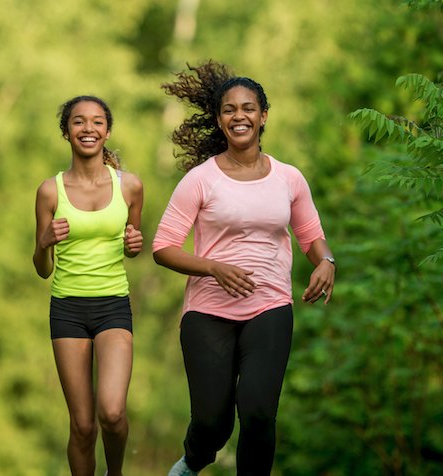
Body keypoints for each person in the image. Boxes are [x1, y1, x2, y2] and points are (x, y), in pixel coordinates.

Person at [153, 61, 336, 476]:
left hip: (270, 306)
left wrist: (326, 261)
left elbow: (310, 236)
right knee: (212, 425)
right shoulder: (200, 180)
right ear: (219, 120)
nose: (240, 116)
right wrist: (213, 268)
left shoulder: (289, 178)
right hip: (207, 314)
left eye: (249, 108)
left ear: (263, 116)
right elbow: (162, 248)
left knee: (257, 412)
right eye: (230, 110)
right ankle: (192, 462)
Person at [32, 95, 144, 476]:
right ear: (66, 132)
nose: (88, 128)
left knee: (111, 412)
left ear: (107, 131)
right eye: (78, 122)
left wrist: (134, 245)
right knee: (81, 426)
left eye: (97, 122)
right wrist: (44, 242)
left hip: (113, 305)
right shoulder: (50, 191)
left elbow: (133, 247)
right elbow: (42, 269)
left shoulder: (130, 187)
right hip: (67, 309)